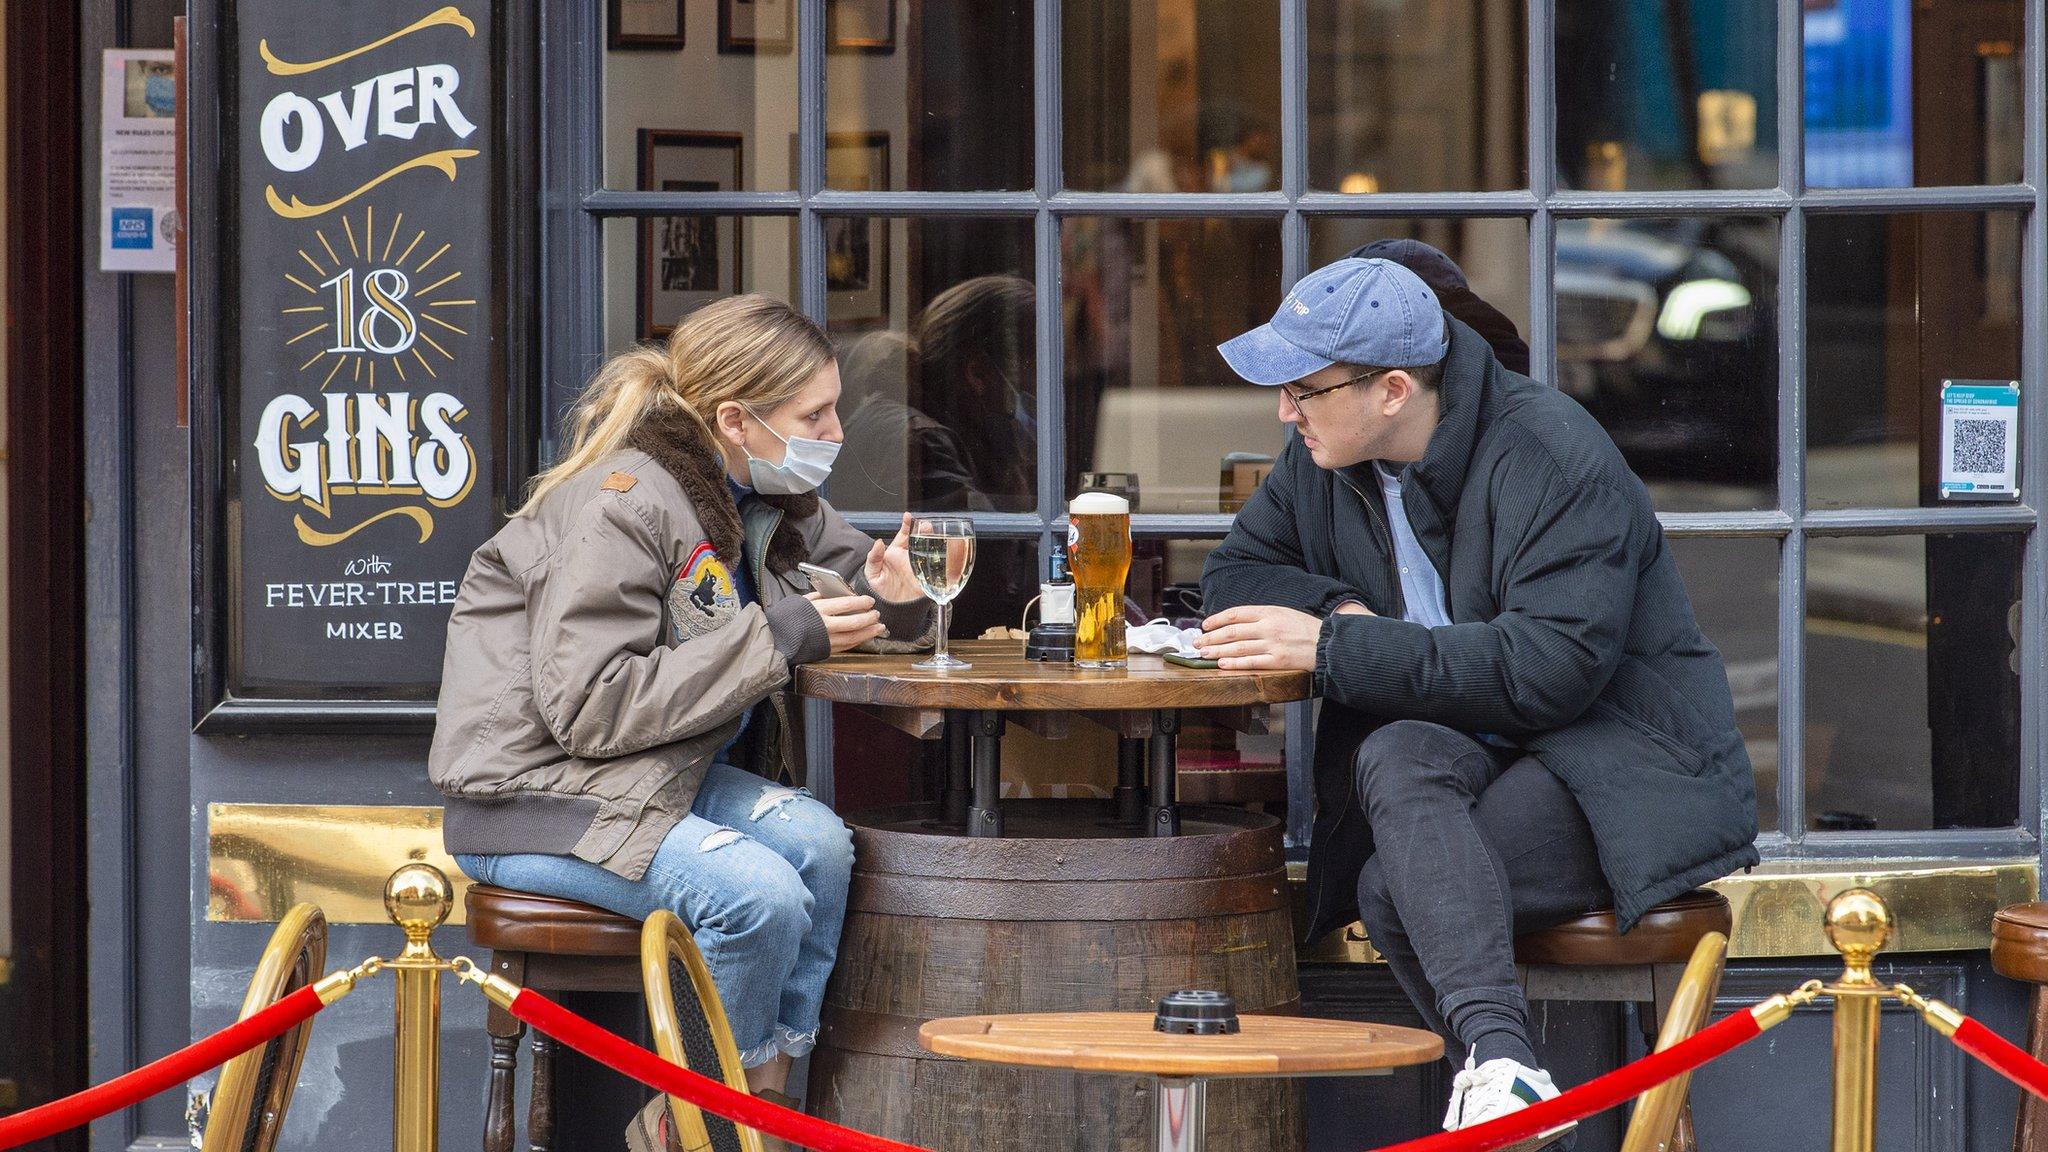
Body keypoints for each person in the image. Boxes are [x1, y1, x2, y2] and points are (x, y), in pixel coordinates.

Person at [1196, 258, 1757, 1149]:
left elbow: (1549, 673)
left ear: (1390, 389)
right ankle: (1509, 1078)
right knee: (1394, 759)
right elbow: (1231, 573)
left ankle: (1501, 1076)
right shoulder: (1324, 459)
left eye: (1303, 388)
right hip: (1477, 753)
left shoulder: (1548, 451)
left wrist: (1338, 647)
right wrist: (1337, 608)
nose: (1283, 410)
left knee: (1392, 887)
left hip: (1619, 763)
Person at [428, 295, 933, 1144]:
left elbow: (861, 578)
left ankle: (752, 1099)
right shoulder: (622, 503)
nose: (838, 431)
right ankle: (704, 1125)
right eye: (814, 414)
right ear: (735, 420)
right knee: (757, 896)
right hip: (537, 797)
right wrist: (778, 635)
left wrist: (902, 603)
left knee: (820, 846)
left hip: (652, 780)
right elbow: (589, 708)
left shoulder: (765, 497)